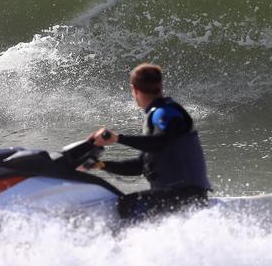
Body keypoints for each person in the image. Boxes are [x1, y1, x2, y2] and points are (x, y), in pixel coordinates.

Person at [88, 63, 211, 221]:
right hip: (180, 195)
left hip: (185, 194)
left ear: (134, 90)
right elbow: (141, 166)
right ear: (160, 86)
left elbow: (160, 143)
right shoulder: (159, 114)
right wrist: (99, 165)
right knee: (128, 201)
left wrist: (118, 138)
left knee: (128, 203)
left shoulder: (166, 112)